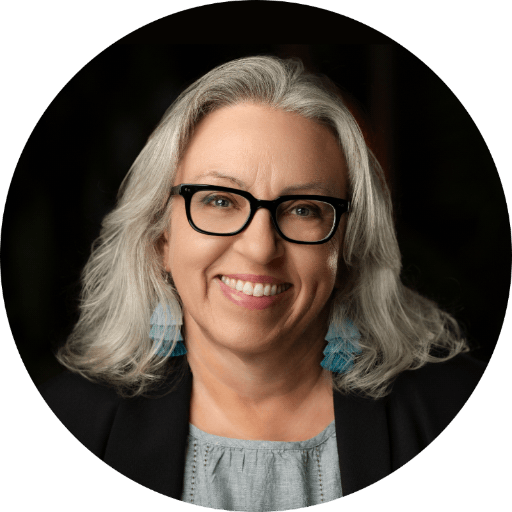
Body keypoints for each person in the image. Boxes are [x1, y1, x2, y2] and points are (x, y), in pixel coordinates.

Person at [39, 56, 486, 509]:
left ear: (348, 251)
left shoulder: (457, 412)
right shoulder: (66, 426)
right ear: (160, 238)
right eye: (219, 200)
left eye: (304, 208)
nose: (259, 248)